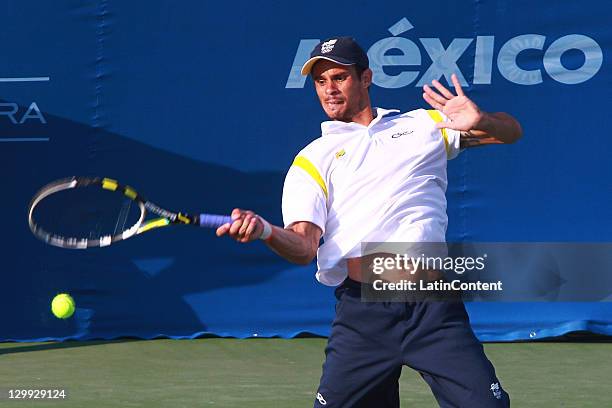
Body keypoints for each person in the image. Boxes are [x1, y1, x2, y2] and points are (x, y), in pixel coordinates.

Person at [216, 36, 521, 407]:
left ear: (366, 79)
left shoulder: (422, 126)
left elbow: (510, 132)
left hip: (433, 309)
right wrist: (264, 230)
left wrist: (482, 120)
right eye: (320, 80)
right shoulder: (312, 159)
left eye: (339, 77)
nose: (329, 89)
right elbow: (303, 246)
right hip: (364, 315)